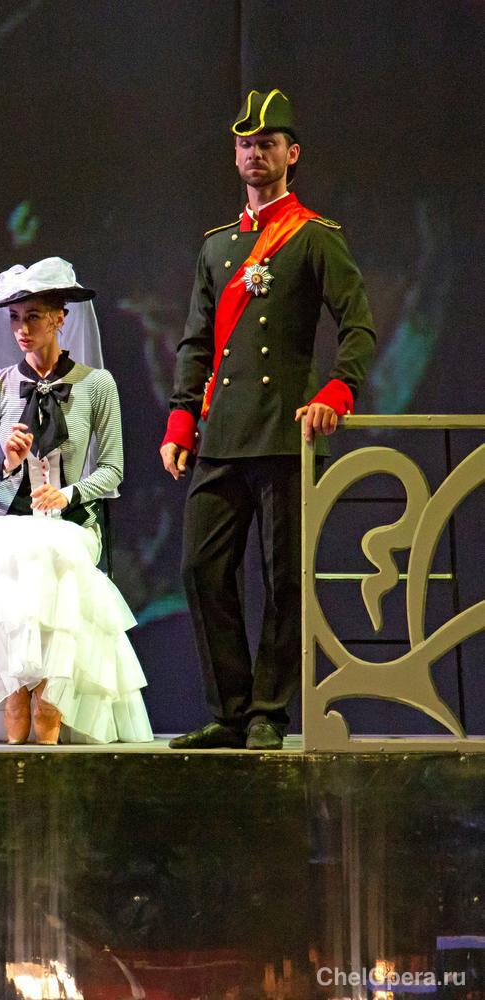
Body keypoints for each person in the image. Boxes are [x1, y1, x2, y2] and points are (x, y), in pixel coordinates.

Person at [160, 88, 376, 750]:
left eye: (268, 144)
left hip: (285, 431)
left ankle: (267, 712)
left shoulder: (314, 237)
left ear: (292, 153)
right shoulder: (216, 247)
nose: (256, 153)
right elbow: (197, 342)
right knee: (201, 569)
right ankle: (230, 710)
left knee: (283, 580)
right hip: (223, 433)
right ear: (235, 155)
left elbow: (358, 326)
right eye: (246, 144)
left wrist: (337, 392)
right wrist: (180, 419)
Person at [0, 257, 154, 745]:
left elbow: (113, 469)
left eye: (32, 316)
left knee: (53, 550)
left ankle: (50, 696)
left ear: (59, 318)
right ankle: (17, 691)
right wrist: (6, 465)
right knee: (22, 551)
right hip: (5, 521)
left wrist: (69, 492)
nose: (21, 329)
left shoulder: (96, 384)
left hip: (69, 522)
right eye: (14, 318)